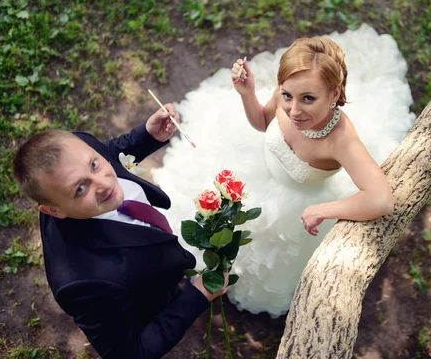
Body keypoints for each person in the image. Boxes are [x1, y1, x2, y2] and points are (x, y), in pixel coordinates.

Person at [152, 24, 416, 317]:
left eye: (308, 99)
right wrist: (247, 94)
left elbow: (381, 199)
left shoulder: (342, 140)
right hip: (255, 169)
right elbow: (264, 122)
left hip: (294, 206)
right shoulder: (286, 96)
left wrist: (324, 210)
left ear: (334, 94)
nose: (294, 111)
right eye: (288, 95)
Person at [13, 105, 229, 359]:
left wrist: (147, 137)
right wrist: (199, 295)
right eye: (80, 189)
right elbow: (130, 353)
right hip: (149, 296)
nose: (106, 184)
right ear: (54, 210)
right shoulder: (86, 284)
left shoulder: (76, 149)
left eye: (94, 165)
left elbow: (109, 152)